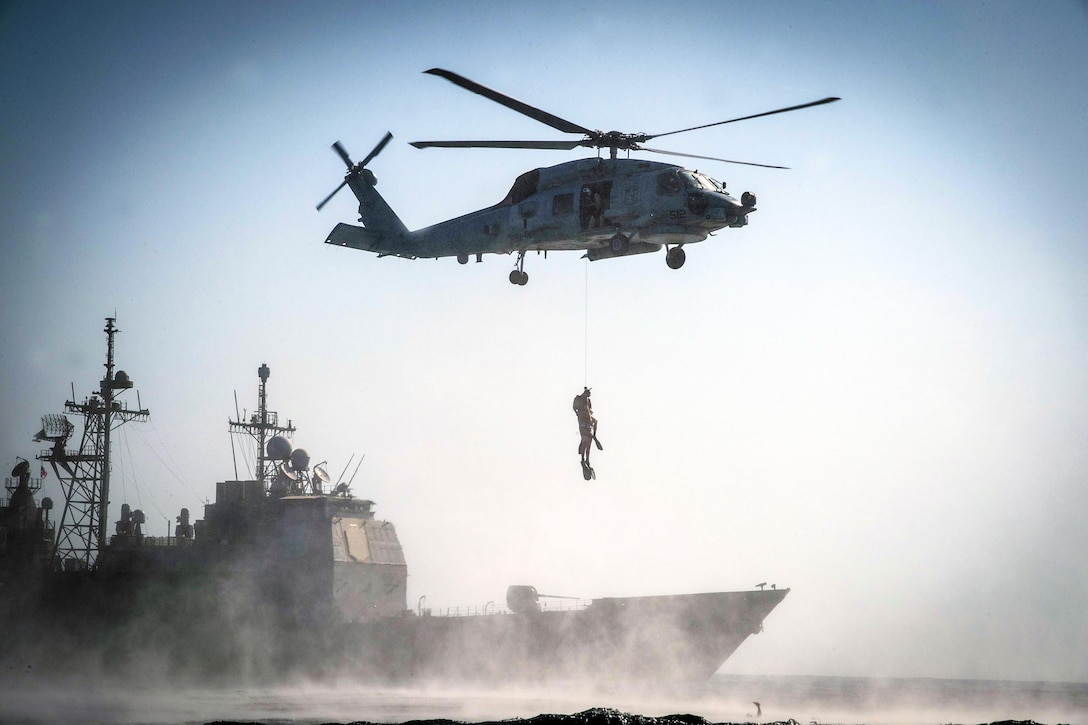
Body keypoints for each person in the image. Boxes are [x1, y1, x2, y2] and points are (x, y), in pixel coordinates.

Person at [572, 387, 600, 478]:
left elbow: (590, 410)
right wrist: (578, 413)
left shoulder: (588, 401)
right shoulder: (578, 399)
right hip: (583, 421)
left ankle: (587, 460)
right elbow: (574, 408)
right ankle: (583, 459)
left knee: (589, 440)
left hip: (589, 421)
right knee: (585, 440)